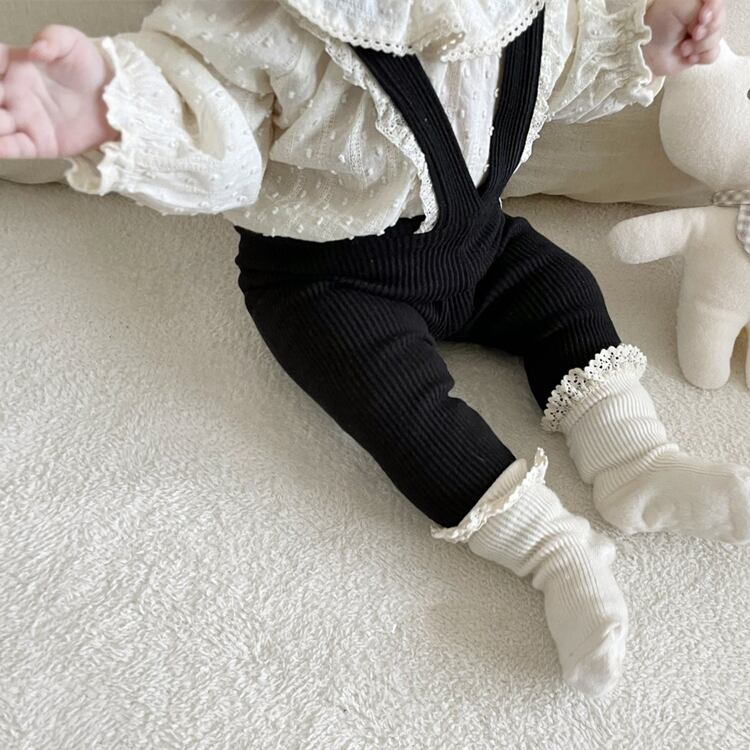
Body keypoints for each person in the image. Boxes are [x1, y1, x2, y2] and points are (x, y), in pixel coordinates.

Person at [1, 0, 745, 698]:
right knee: (399, 406)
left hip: (477, 239)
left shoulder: (518, 10)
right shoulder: (276, 24)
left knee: (564, 292)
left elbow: (567, 66)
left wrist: (648, 39)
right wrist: (114, 105)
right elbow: (211, 115)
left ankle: (635, 461)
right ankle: (554, 551)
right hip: (324, 273)